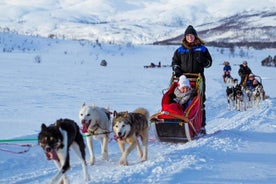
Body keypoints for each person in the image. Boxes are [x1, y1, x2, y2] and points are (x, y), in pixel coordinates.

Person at [171, 25, 212, 134]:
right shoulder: (180, 50)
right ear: (185, 37)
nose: (190, 37)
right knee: (180, 99)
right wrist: (177, 70)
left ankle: (201, 126)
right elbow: (175, 63)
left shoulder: (202, 49)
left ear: (195, 36)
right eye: (188, 35)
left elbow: (209, 63)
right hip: (183, 79)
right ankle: (180, 122)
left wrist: (203, 60)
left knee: (200, 101)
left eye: (192, 35)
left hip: (198, 79)